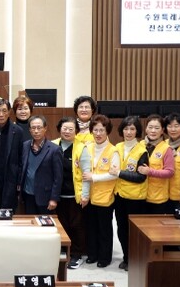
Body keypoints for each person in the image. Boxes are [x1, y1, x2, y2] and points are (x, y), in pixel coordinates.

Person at [52, 116, 91, 270]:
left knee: (76, 225)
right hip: (57, 195)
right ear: (59, 129)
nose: (67, 131)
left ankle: (76, 254)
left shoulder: (81, 148)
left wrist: (85, 195)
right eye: (64, 128)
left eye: (71, 129)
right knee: (61, 225)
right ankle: (63, 251)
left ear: (76, 131)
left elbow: (86, 173)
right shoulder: (53, 145)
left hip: (75, 195)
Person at [109, 115, 148, 271]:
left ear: (137, 131)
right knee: (122, 228)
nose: (129, 132)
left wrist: (119, 173)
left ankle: (135, 259)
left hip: (136, 198)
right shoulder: (117, 147)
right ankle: (126, 257)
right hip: (119, 196)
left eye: (132, 129)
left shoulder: (142, 151)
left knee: (134, 232)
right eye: (126, 128)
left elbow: (140, 177)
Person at [82, 114, 119, 268]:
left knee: (104, 229)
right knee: (91, 227)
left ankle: (104, 257)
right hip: (89, 195)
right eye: (95, 130)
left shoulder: (113, 150)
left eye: (101, 130)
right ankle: (93, 254)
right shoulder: (88, 147)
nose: (98, 133)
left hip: (105, 197)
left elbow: (114, 174)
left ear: (107, 131)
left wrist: (94, 177)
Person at [20, 115, 63, 215]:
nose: (36, 131)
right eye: (33, 128)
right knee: (30, 223)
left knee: (45, 224)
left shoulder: (54, 149)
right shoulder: (25, 146)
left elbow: (58, 177)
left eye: (39, 128)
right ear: (29, 130)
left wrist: (54, 198)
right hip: (28, 194)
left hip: (45, 197)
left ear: (45, 128)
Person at [138, 114, 175, 214]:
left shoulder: (166, 149)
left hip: (157, 198)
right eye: (150, 127)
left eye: (157, 128)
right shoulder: (140, 145)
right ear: (146, 129)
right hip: (139, 195)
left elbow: (170, 172)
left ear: (162, 130)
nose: (153, 131)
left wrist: (150, 171)